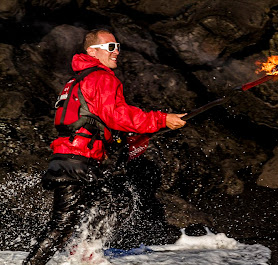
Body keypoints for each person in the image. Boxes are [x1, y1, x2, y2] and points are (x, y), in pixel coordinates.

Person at [23, 29, 186, 265]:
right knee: (61, 227)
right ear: (92, 51)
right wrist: (161, 119)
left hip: (76, 159)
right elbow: (117, 115)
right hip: (76, 161)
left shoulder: (79, 79)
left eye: (117, 46)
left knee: (117, 200)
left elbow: (98, 119)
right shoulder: (101, 77)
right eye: (110, 47)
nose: (116, 51)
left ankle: (84, 253)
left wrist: (127, 137)